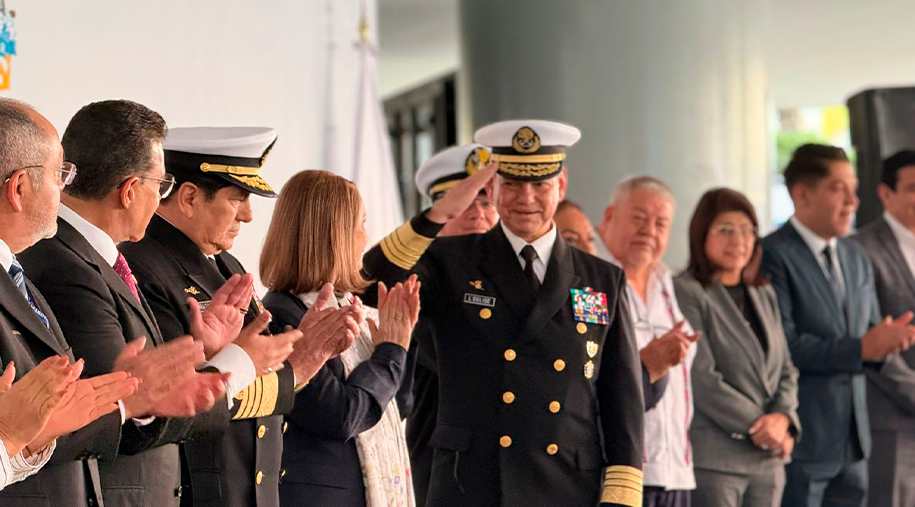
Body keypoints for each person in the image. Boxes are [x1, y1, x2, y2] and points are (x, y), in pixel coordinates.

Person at [362, 120, 645, 507]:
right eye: (511, 184)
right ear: (492, 189)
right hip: (474, 483)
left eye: (539, 185)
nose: (525, 198)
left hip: (568, 485)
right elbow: (368, 284)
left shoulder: (601, 278)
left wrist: (621, 496)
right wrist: (438, 214)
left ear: (560, 188)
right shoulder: (452, 262)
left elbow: (621, 397)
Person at [19, 100, 280, 507]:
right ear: (128, 190)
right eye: (160, 187)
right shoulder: (65, 265)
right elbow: (118, 407)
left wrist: (201, 351)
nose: (161, 201)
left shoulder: (97, 258)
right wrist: (233, 364)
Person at [120, 127, 358, 507]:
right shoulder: (143, 267)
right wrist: (301, 364)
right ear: (190, 197)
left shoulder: (224, 263)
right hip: (200, 489)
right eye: (238, 199)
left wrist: (303, 341)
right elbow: (177, 399)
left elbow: (259, 361)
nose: (247, 215)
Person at [0, 98, 205, 507]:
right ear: (19, 188)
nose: (66, 186)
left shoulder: (17, 274)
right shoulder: (55, 264)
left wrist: (124, 396)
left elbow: (42, 419)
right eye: (60, 173)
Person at [761, 144, 915, 507]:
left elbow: (872, 337)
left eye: (853, 188)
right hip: (804, 438)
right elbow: (784, 347)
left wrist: (889, 341)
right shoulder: (771, 255)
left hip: (855, 440)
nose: (852, 201)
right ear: (801, 194)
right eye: (837, 188)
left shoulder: (854, 256)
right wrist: (862, 348)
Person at [259, 170, 419, 506]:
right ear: (336, 234)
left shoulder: (347, 305)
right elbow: (341, 415)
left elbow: (396, 406)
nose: (366, 236)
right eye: (361, 224)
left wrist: (401, 342)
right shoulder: (283, 315)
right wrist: (390, 353)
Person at [674, 188, 801, 507]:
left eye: (747, 230)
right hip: (717, 460)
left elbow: (786, 368)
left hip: (768, 461)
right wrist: (765, 427)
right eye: (725, 230)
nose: (739, 240)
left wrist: (783, 418)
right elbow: (701, 377)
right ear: (702, 234)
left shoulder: (763, 292)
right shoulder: (687, 291)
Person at [595, 176, 701, 507]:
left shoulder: (667, 282)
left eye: (660, 223)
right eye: (639, 218)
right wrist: (645, 364)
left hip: (675, 471)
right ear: (609, 217)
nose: (649, 230)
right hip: (621, 473)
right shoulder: (593, 279)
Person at [405, 143, 500, 506]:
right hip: (444, 465)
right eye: (465, 202)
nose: (478, 213)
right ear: (440, 212)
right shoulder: (421, 276)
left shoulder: (509, 276)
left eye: (486, 202)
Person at [850, 150, 915, 507]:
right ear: (886, 193)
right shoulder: (859, 250)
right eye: (913, 188)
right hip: (891, 419)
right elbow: (868, 338)